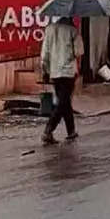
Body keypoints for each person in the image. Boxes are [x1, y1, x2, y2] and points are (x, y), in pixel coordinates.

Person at [41, 16, 84, 145]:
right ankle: (48, 130)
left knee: (64, 101)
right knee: (63, 102)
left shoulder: (49, 30)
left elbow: (44, 54)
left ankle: (71, 131)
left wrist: (45, 71)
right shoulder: (73, 30)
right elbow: (79, 52)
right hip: (68, 72)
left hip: (54, 72)